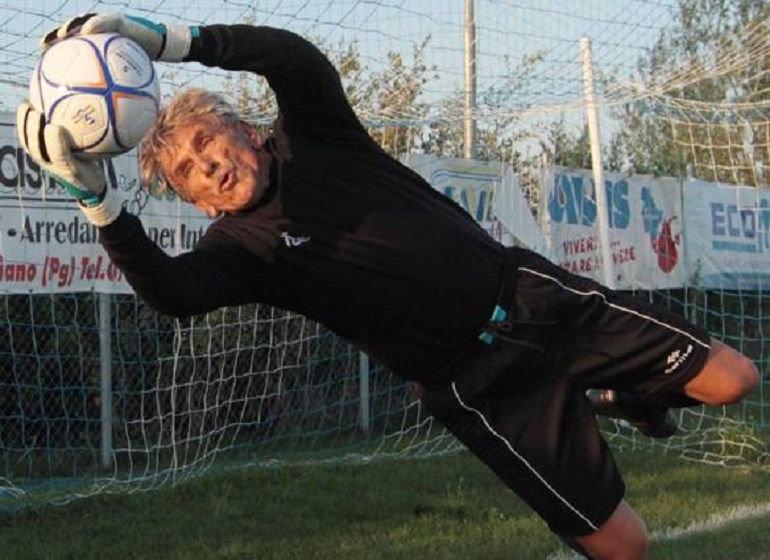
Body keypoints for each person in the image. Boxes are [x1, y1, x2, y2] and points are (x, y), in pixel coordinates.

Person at [16, 14, 759, 560]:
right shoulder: (241, 249)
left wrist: (171, 42)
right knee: (626, 549)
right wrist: (100, 205)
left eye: (210, 143)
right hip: (479, 386)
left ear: (247, 133)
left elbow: (296, 60)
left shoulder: (317, 138)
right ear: (199, 202)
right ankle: (593, 425)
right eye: (188, 172)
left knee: (734, 381)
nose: (208, 165)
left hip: (534, 300)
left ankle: (619, 393)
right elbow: (172, 292)